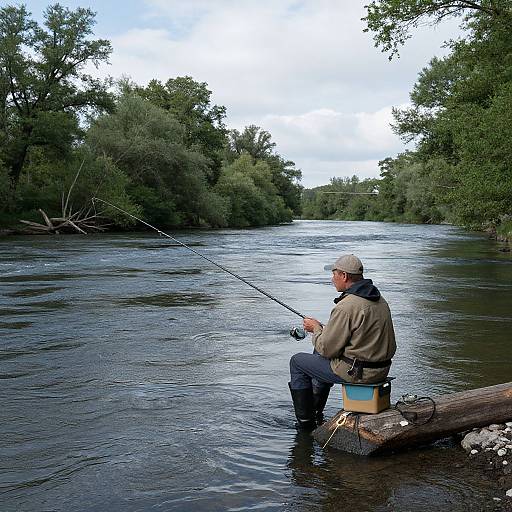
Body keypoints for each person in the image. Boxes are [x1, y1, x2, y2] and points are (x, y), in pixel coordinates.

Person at [288, 254, 396, 430]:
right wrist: (326, 331)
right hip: (381, 370)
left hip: (358, 373)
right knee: (317, 352)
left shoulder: (346, 306)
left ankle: (305, 423)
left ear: (344, 276)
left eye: (334, 274)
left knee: (297, 362)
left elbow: (327, 349)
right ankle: (316, 411)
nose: (332, 279)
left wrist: (315, 329)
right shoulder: (378, 299)